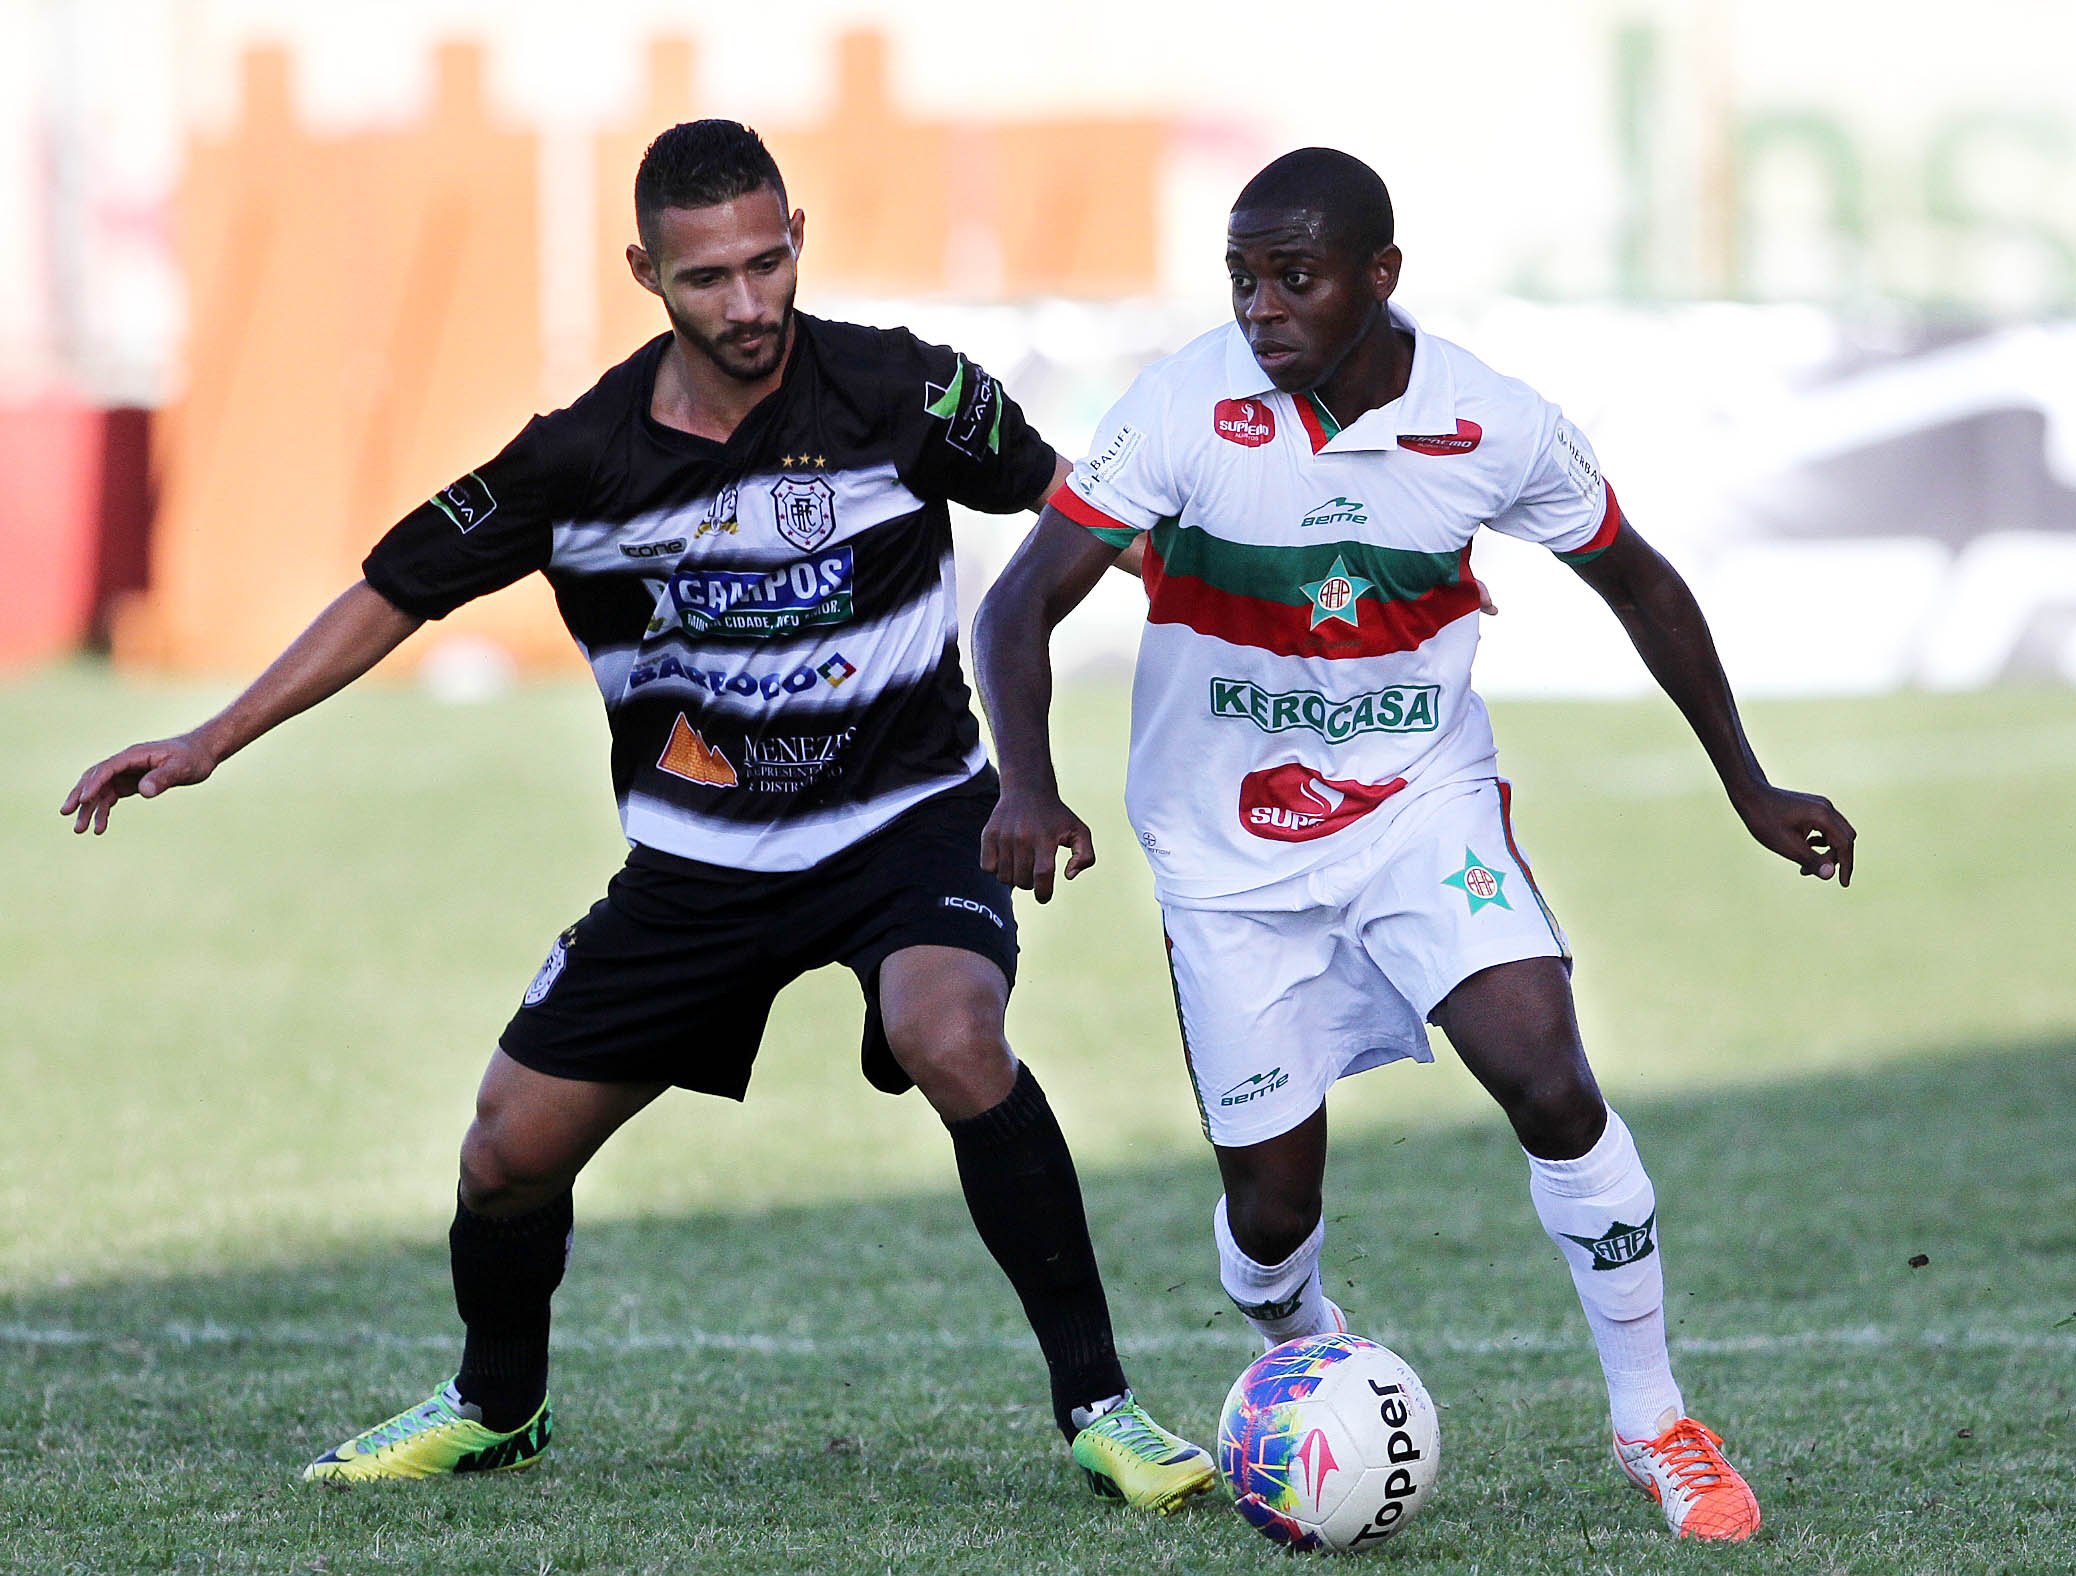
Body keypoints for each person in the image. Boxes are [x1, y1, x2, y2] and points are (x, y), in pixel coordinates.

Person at [60, 119, 1216, 1513]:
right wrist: (208, 738)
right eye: (709, 279)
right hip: (701, 868)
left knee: (951, 1032)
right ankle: (498, 1406)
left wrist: (1219, 620)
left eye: (768, 264)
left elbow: (1076, 510)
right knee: (503, 1156)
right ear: (645, 272)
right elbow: (394, 590)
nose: (748, 306)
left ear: (799, 237)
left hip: (910, 819)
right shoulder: (581, 462)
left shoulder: (903, 390)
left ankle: (1102, 1408)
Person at [972, 146, 1857, 1544]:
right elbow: (1015, 607)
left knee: (1549, 1078)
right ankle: (1308, 1352)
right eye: (1243, 276)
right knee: (1270, 1212)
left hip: (1415, 810)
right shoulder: (1182, 409)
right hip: (1228, 856)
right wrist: (1027, 782)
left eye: (1296, 276)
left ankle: (1656, 1423)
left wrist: (1747, 782)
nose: (1262, 306)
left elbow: (1639, 580)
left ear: (1380, 278)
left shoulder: (1488, 423)